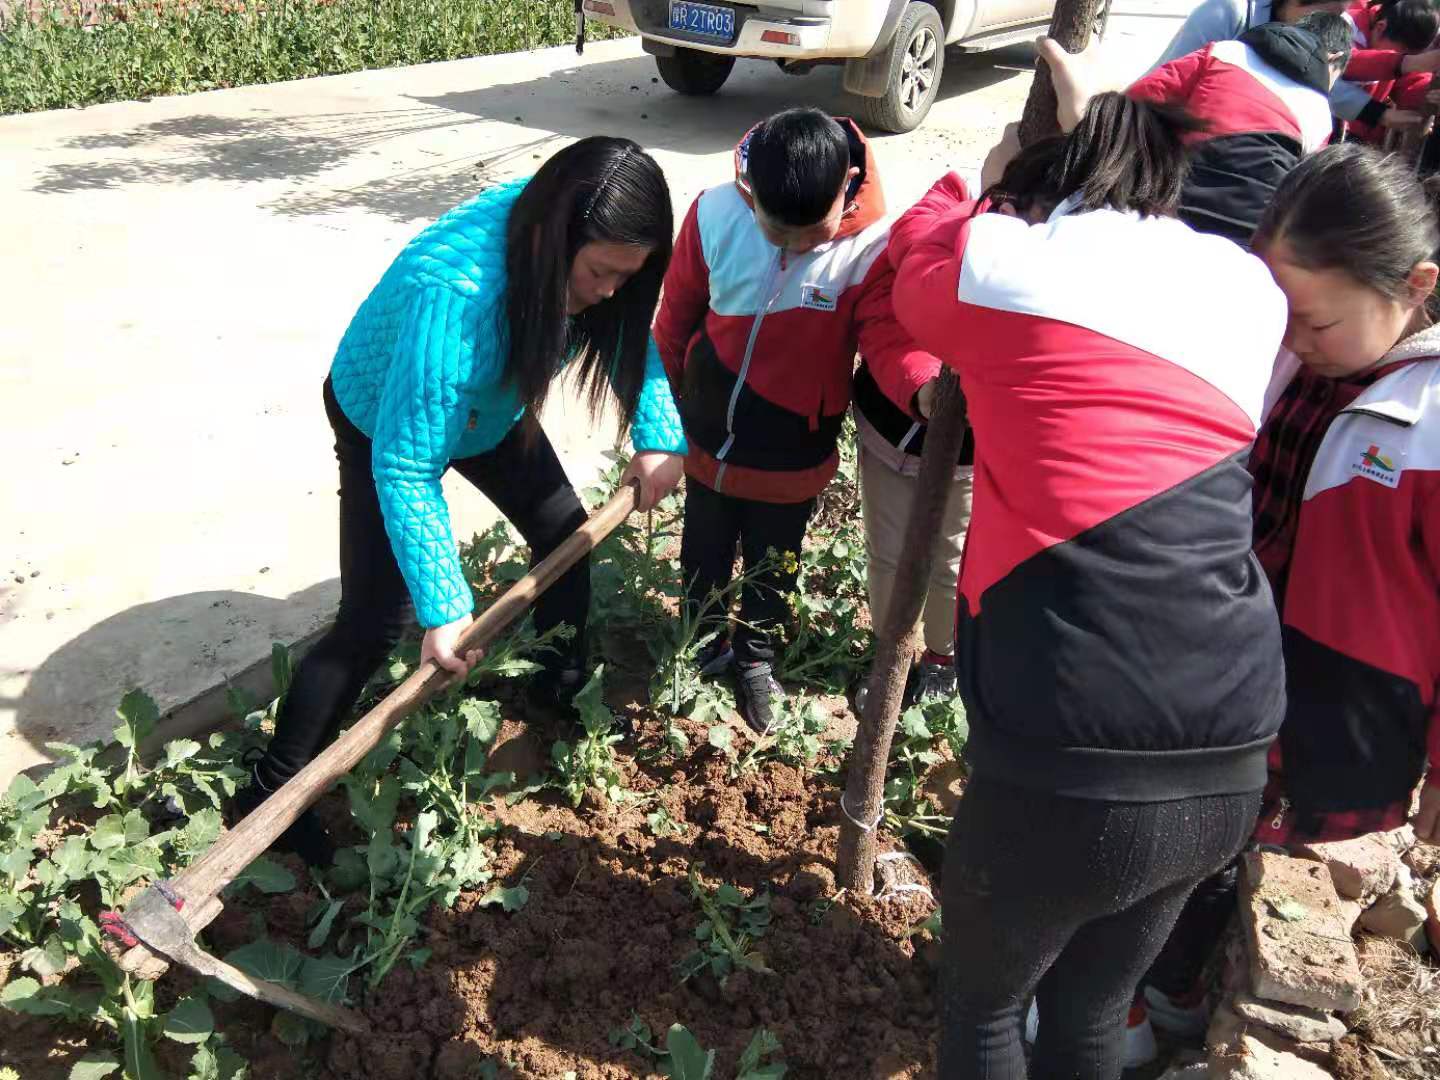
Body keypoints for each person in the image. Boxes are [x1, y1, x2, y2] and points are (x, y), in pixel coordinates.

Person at [889, 74, 1290, 1079]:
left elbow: (914, 275)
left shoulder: (1008, 264)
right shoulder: (1247, 289)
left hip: (1077, 743)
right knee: (1090, 1011)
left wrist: (970, 187)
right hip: (1231, 740)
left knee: (983, 1011)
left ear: (1043, 187)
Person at [237, 137, 687, 864]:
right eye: (601, 273)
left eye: (625, 276)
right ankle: (269, 792)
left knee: (566, 539)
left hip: (491, 406)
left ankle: (556, 689)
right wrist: (447, 608)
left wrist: (660, 434)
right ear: (554, 241)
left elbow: (629, 331)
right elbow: (408, 463)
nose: (610, 291)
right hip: (381, 412)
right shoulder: (457, 297)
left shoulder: (586, 251)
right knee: (376, 618)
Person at [1145, 142, 1440, 1030]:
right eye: (1282, 318)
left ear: (1416, 286)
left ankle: (1171, 996)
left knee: (1226, 838)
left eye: (1318, 324)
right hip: (1236, 651)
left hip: (1331, 690)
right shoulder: (1297, 363)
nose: (1295, 342)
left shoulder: (1426, 427)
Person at [652, 107, 938, 734]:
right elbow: (674, 318)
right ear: (750, 189)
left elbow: (888, 336)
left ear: (847, 187)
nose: (791, 245)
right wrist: (666, 413)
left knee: (772, 564)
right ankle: (702, 646)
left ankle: (755, 660)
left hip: (791, 451)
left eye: (810, 233)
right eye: (775, 229)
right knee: (701, 554)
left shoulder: (869, 249)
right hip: (704, 437)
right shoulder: (715, 214)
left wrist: (924, 387)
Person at [1124, 13, 1352, 243]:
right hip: (1245, 234)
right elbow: (1301, 195)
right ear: (1334, 59)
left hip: (1169, 200)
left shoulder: (1225, 52)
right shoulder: (1320, 113)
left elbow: (1142, 95)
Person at [852, 348, 975, 708]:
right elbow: (880, 317)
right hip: (889, 425)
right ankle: (890, 654)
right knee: (888, 553)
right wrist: (919, 382)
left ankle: (942, 658)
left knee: (951, 562)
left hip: (971, 447)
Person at [1152, 0, 1440, 132]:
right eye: (1323, 14)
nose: (1323, 29)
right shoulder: (1228, 12)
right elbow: (1160, 89)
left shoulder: (1318, 35)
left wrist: (1379, 114)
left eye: (1340, 14)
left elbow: (1323, 82)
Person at [1339, 0, 1439, 144]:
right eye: (1400, 56)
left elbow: (1413, 84)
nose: (1403, 62)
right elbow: (1346, 63)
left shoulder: (1401, 39)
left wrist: (1430, 94)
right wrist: (1406, 62)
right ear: (1380, 27)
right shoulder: (1342, 25)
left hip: (1358, 141)